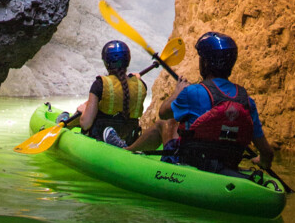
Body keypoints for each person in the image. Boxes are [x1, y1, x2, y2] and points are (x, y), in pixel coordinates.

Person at [106, 32, 274, 175]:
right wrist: (261, 162)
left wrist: (177, 92)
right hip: (228, 164)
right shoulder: (246, 101)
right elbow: (267, 152)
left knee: (166, 123)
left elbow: (163, 112)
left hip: (193, 163)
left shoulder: (193, 92)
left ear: (205, 63)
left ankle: (127, 151)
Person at [75, 40, 148, 144]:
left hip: (99, 136)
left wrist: (83, 110)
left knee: (85, 116)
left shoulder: (100, 84)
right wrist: (136, 79)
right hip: (129, 138)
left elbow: (86, 124)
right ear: (128, 61)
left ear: (106, 62)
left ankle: (109, 135)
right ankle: (120, 141)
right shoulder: (141, 85)